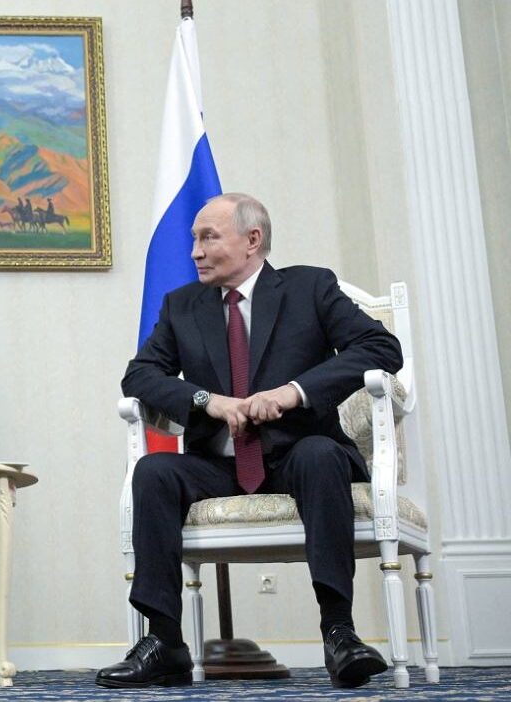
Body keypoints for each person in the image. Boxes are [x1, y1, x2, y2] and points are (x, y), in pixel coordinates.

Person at [99, 193, 402, 690]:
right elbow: (140, 375)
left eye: (208, 237)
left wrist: (293, 392)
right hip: (218, 466)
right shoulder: (182, 305)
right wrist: (207, 401)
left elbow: (381, 347)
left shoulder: (309, 288)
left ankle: (339, 632)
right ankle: (165, 642)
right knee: (153, 471)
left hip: (298, 455)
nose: (195, 251)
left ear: (252, 239)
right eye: (194, 239)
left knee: (321, 455)